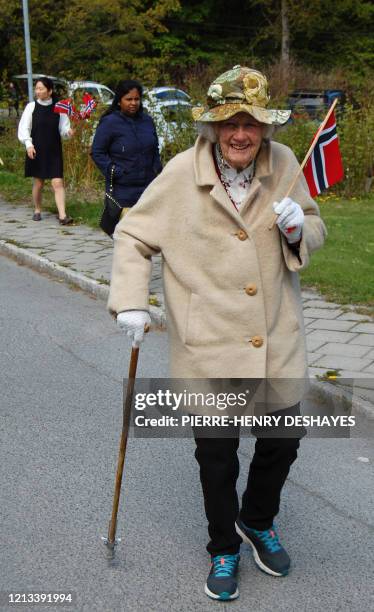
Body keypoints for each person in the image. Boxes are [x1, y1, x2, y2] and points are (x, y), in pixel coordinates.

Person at [107, 66, 327, 601]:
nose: (241, 134)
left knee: (283, 441)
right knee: (217, 456)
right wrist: (132, 301)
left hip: (275, 336)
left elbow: (315, 224)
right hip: (207, 344)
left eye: (251, 123)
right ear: (211, 126)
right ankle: (222, 546)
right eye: (229, 122)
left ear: (265, 128)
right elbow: (133, 233)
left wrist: (302, 228)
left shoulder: (284, 163)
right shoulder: (182, 173)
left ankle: (257, 519)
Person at [91, 79, 162, 231]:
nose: (133, 103)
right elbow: (97, 152)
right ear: (119, 101)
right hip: (122, 190)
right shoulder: (109, 123)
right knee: (127, 237)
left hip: (148, 189)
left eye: (137, 99)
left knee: (147, 234)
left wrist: (158, 171)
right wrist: (114, 171)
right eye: (128, 99)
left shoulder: (147, 121)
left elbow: (155, 149)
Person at [17, 77, 74, 224]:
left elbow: (63, 129)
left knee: (58, 183)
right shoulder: (31, 107)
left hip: (54, 150)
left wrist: (68, 133)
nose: (38, 91)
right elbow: (24, 129)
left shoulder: (59, 107)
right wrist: (28, 145)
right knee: (39, 183)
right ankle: (37, 209)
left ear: (49, 91)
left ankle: (62, 215)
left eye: (41, 89)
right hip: (36, 150)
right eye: (37, 88)